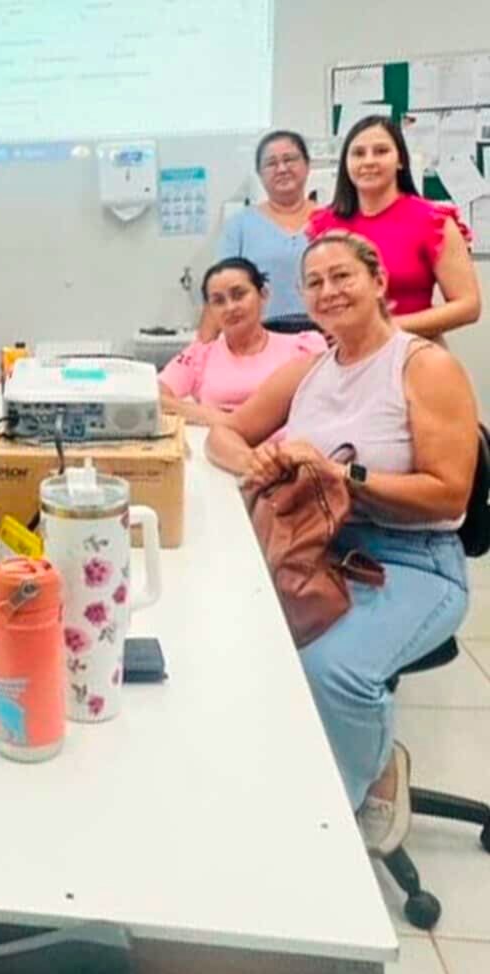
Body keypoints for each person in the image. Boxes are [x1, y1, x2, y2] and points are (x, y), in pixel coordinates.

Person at [205, 232, 477, 855]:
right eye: (315, 282)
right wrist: (258, 459)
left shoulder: (423, 366)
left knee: (333, 669)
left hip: (413, 559)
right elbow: (224, 434)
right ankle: (304, 768)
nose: (328, 291)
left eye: (342, 276)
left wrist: (341, 474)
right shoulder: (311, 369)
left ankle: (357, 796)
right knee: (234, 640)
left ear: (378, 283)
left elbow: (449, 495)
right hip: (320, 546)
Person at [308, 115, 480, 340]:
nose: (369, 161)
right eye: (358, 153)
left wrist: (382, 328)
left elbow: (468, 306)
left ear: (401, 161)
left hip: (414, 351)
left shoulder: (433, 221)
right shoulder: (322, 225)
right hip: (344, 354)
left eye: (381, 151)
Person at [160, 258, 326, 426]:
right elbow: (155, 397)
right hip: (217, 440)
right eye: (218, 301)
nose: (230, 307)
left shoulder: (304, 348)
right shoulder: (199, 355)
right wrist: (210, 416)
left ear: (263, 294)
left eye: (239, 295)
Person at [202, 130, 316, 338]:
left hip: (328, 340)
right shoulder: (239, 226)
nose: (282, 169)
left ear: (307, 165)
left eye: (289, 159)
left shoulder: (334, 220)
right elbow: (219, 289)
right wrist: (202, 349)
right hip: (258, 343)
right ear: (260, 173)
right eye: (271, 163)